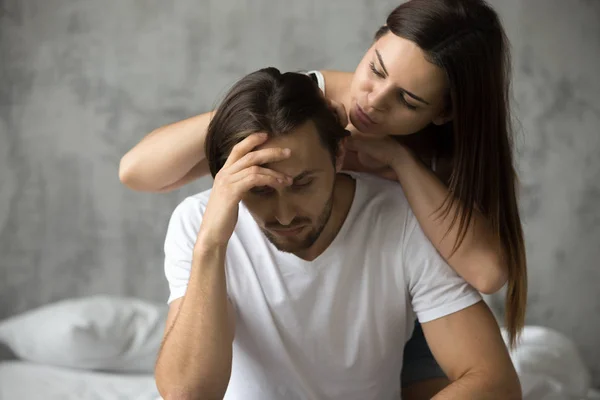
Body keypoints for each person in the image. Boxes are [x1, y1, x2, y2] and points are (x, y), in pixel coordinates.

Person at [121, 0, 527, 395]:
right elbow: (137, 172)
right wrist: (260, 105)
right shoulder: (317, 99)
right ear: (375, 41)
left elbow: (489, 274)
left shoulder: (443, 166)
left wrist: (400, 161)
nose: (372, 100)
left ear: (444, 113)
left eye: (407, 99)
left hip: (400, 295)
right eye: (376, 69)